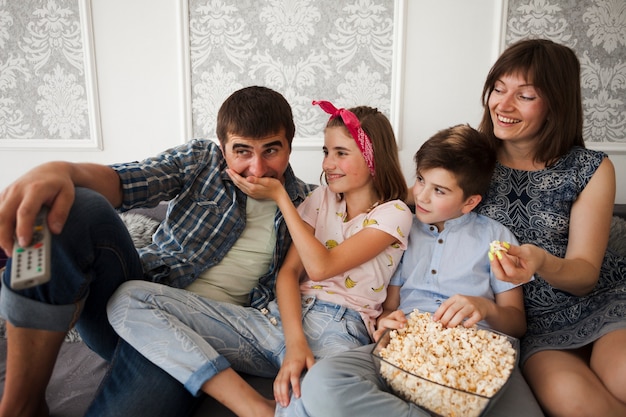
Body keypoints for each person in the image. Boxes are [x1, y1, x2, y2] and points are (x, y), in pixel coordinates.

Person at [0, 86, 315, 417]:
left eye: (271, 151)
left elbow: (344, 265)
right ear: (223, 148)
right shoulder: (201, 161)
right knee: (78, 205)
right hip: (132, 302)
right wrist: (63, 170)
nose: (257, 168)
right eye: (242, 151)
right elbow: (126, 181)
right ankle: (22, 403)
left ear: (289, 148)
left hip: (198, 336)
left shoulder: (311, 205)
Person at [106, 101, 413, 417]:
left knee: (317, 403)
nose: (328, 164)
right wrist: (294, 343)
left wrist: (281, 197)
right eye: (326, 152)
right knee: (128, 299)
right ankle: (252, 407)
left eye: (341, 153)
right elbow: (289, 274)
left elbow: (322, 267)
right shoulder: (320, 199)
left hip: (339, 329)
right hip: (274, 320)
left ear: (373, 157)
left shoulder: (394, 214)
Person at [291, 123, 545, 417]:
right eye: (421, 180)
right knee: (321, 382)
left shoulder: (495, 237)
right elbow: (390, 307)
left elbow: (517, 324)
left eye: (439, 190)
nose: (422, 196)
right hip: (408, 350)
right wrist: (385, 322)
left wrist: (483, 307)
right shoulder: (401, 228)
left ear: (470, 202)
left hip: (477, 355)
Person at [477, 39, 626, 416]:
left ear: (555, 103)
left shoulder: (590, 168)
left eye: (524, 95)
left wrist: (540, 261)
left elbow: (585, 276)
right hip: (536, 327)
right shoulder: (469, 160)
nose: (503, 105)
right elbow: (413, 197)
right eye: (498, 89)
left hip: (605, 303)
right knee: (577, 403)